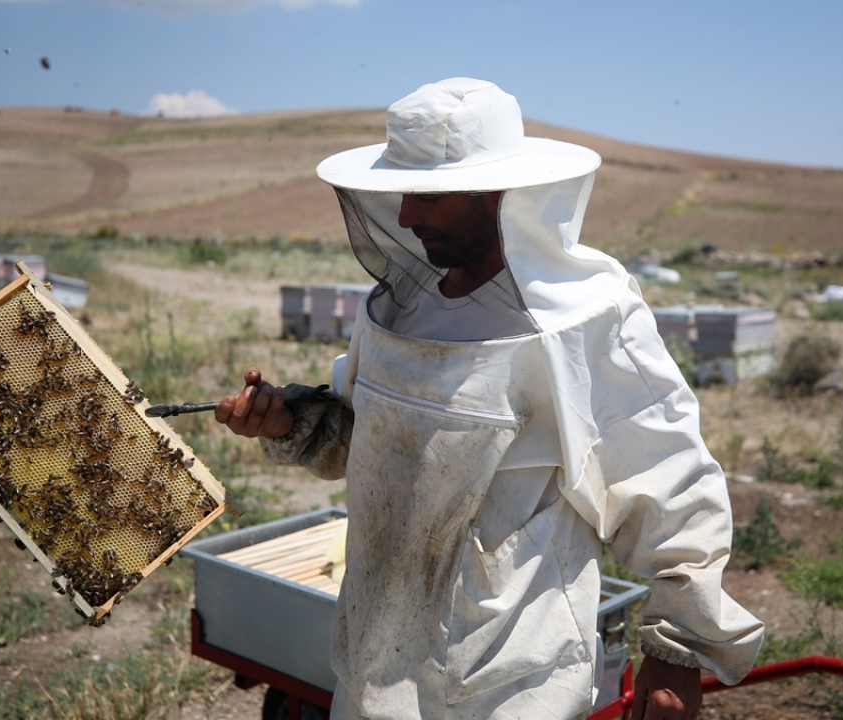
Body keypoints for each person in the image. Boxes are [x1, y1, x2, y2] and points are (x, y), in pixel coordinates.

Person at [215, 77, 763, 720]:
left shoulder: (584, 315)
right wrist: (292, 422)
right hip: (373, 660)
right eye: (402, 195)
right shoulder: (399, 307)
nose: (409, 216)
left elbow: (665, 475)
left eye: (429, 196)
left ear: (500, 193)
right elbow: (368, 435)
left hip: (510, 681)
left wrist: (679, 647)